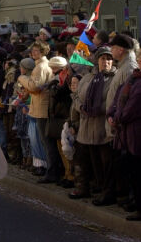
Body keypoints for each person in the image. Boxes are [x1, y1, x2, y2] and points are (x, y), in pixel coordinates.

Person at [69, 47, 116, 200]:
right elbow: (76, 97)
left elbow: (112, 102)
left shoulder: (113, 79)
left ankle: (105, 192)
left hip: (102, 129)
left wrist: (96, 109)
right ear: (97, 60)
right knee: (83, 162)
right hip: (84, 128)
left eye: (109, 59)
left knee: (104, 164)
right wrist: (81, 108)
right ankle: (83, 188)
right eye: (103, 59)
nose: (106, 62)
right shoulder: (88, 77)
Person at [111, 46, 141, 220]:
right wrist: (112, 113)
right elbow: (119, 96)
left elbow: (133, 105)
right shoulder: (133, 78)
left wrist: (118, 117)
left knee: (138, 171)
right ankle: (136, 202)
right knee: (132, 169)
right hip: (129, 132)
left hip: (136, 130)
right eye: (140, 59)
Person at [17, 40, 53, 176]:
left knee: (41, 140)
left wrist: (22, 78)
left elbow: (34, 87)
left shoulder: (41, 67)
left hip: (41, 108)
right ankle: (44, 167)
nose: (33, 53)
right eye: (32, 51)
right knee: (38, 139)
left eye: (36, 51)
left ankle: (46, 168)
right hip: (38, 107)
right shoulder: (40, 65)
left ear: (43, 52)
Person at [39, 55, 71, 184]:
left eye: (53, 68)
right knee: (59, 147)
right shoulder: (56, 79)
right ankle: (65, 174)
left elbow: (60, 97)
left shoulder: (62, 79)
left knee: (65, 148)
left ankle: (69, 175)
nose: (52, 70)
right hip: (57, 116)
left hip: (61, 116)